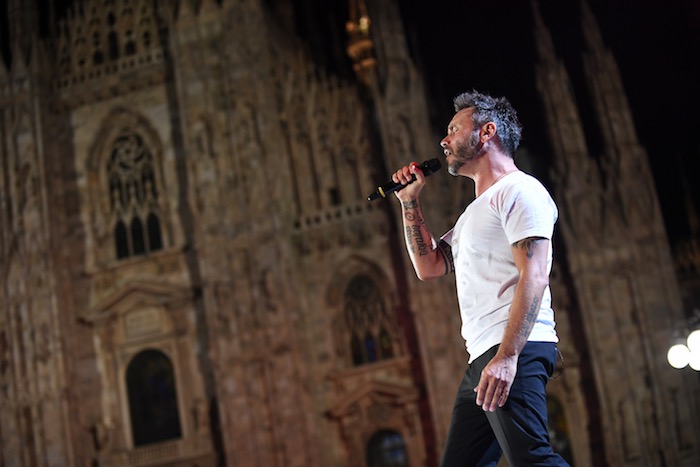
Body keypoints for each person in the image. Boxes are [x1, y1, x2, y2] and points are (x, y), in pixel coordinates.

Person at [390, 90, 569, 466]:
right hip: (483, 356)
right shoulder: (472, 215)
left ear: (487, 132)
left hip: (513, 347)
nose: (444, 141)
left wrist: (508, 356)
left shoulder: (520, 190)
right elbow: (429, 266)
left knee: (533, 459)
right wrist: (410, 201)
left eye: (454, 130)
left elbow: (535, 275)